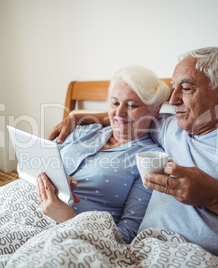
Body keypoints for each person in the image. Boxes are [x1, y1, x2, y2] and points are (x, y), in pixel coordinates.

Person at [48, 47, 218, 267]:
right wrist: (77, 117)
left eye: (185, 88)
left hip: (211, 260)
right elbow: (125, 115)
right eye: (173, 87)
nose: (173, 99)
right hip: (141, 254)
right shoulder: (171, 127)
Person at [37, 64, 171, 243]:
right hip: (25, 210)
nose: (119, 112)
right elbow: (32, 161)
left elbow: (127, 235)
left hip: (70, 235)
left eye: (131, 105)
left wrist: (66, 218)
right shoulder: (86, 131)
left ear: (155, 110)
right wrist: (54, 180)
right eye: (114, 102)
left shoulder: (149, 159)